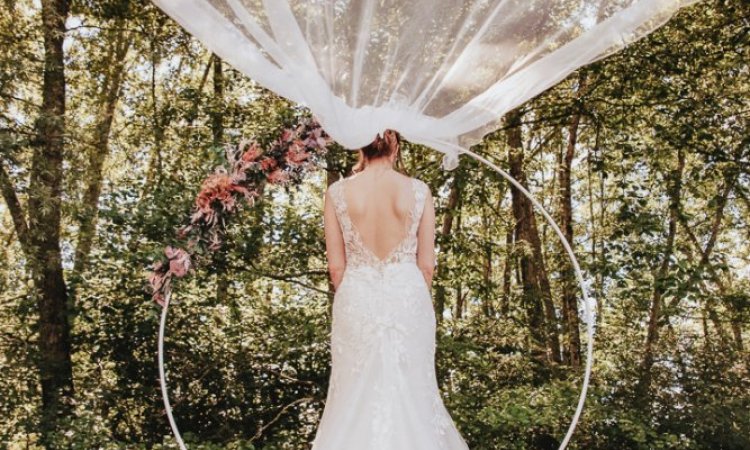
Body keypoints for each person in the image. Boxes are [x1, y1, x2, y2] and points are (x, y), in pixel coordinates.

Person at [313, 130, 470, 449]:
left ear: (359, 144)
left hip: (356, 295)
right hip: (407, 296)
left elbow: (336, 267)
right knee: (412, 387)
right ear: (395, 144)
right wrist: (408, 299)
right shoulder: (418, 190)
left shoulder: (337, 193)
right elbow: (426, 265)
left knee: (355, 390)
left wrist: (358, 295)